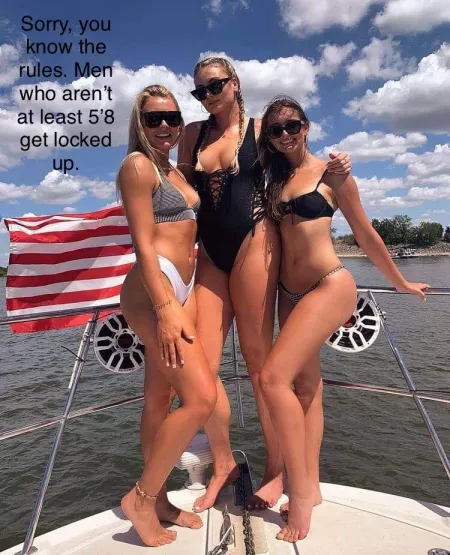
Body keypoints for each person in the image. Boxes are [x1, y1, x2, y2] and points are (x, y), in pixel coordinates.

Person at [177, 56, 352, 511]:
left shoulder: (260, 130)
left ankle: (277, 469)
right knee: (202, 367)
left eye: (215, 86)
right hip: (210, 255)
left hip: (254, 244)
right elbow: (183, 193)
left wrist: (339, 168)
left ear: (234, 83)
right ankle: (223, 464)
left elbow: (298, 160)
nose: (207, 96)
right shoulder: (193, 134)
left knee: (260, 366)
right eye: (199, 90)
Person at [256, 95, 430, 543]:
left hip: (329, 285)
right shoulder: (275, 180)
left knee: (272, 379)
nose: (285, 135)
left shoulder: (333, 174)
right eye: (275, 130)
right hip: (288, 295)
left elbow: (365, 233)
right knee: (307, 389)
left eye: (292, 125)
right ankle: (311, 486)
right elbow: (243, 129)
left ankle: (298, 495)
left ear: (307, 126)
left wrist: (399, 282)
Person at [118, 84, 217, 547]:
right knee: (201, 398)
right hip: (153, 286)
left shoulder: (173, 169)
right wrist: (163, 308)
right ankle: (140, 498)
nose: (164, 126)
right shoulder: (138, 166)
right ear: (139, 123)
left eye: (172, 118)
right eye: (153, 118)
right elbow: (141, 244)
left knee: (160, 399)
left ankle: (158, 502)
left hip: (183, 283)